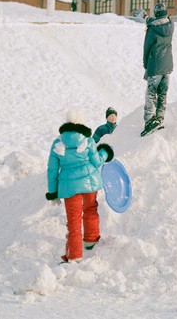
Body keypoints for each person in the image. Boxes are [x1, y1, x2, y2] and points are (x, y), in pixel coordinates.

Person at [46, 109, 113, 263]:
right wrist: (105, 152)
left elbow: (52, 170)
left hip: (69, 188)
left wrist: (53, 192)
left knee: (74, 221)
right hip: (90, 183)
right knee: (90, 210)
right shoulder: (87, 140)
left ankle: (75, 256)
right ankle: (91, 240)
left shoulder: (58, 143)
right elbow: (96, 162)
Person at [141, 2, 174, 135]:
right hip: (167, 65)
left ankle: (149, 120)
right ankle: (160, 118)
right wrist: (146, 18)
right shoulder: (170, 25)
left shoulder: (152, 29)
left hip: (154, 64)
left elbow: (147, 47)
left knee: (151, 93)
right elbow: (157, 21)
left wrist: (145, 65)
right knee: (162, 94)